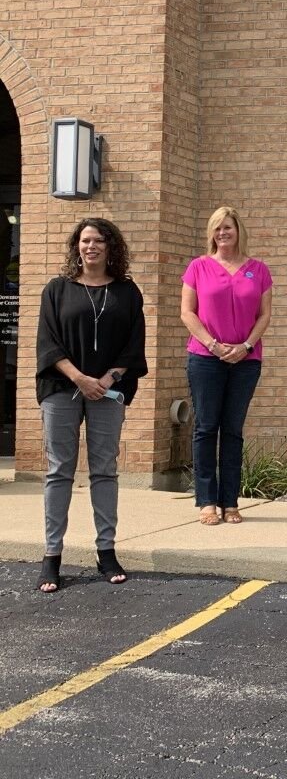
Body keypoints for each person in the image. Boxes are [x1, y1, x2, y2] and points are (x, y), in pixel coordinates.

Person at [35, 218, 147, 592]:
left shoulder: (127, 293)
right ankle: (52, 556)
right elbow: (48, 342)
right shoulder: (57, 289)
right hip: (61, 389)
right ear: (76, 247)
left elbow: (134, 345)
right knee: (59, 471)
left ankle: (106, 550)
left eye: (99, 240)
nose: (91, 246)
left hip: (107, 391)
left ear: (110, 247)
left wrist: (107, 379)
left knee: (104, 470)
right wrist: (80, 378)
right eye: (85, 240)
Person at [180, 207, 273, 526]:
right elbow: (187, 313)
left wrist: (245, 346)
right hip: (205, 359)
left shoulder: (258, 270)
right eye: (217, 228)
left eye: (228, 227)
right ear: (211, 233)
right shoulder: (198, 267)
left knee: (232, 431)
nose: (223, 233)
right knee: (206, 428)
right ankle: (207, 501)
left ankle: (230, 502)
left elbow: (264, 315)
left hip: (245, 361)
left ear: (238, 231)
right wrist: (213, 344)